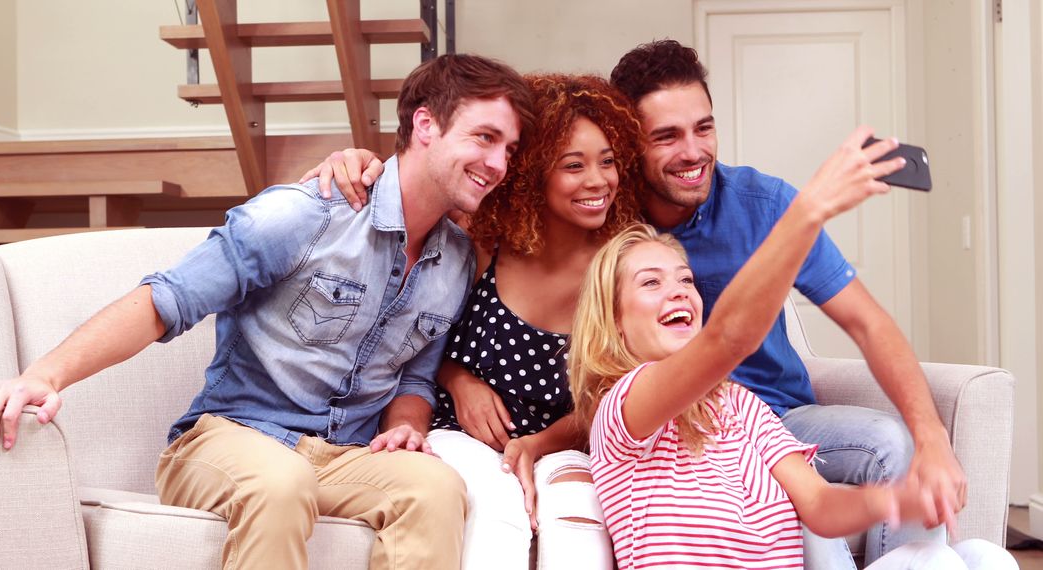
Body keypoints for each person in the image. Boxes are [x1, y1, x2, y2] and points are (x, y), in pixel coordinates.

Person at [0, 53, 534, 570]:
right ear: (426, 125)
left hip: (346, 456)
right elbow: (165, 301)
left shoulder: (456, 260)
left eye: (508, 148)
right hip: (230, 440)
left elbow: (414, 373)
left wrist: (406, 426)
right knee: (280, 483)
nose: (498, 162)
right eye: (484, 137)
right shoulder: (305, 216)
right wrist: (43, 376)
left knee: (435, 489)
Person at [567, 131, 1016, 569]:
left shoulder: (743, 407)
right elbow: (728, 339)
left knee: (984, 557)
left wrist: (901, 498)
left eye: (686, 279)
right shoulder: (623, 409)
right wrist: (808, 211)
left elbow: (820, 505)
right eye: (651, 282)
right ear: (615, 322)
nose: (679, 291)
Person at [607, 40, 965, 566]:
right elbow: (723, 339)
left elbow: (867, 323)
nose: (693, 151)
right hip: (670, 424)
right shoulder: (606, 222)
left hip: (774, 418)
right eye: (666, 136)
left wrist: (931, 435)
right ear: (629, 143)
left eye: (704, 128)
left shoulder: (765, 204)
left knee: (890, 443)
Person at [304, 73, 642, 570]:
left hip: (569, 442)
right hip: (458, 434)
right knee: (494, 508)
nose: (598, 181)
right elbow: (413, 336)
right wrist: (459, 380)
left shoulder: (623, 266)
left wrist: (534, 446)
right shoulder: (481, 244)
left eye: (608, 161)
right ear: (532, 174)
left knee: (579, 522)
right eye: (574, 165)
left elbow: (622, 396)